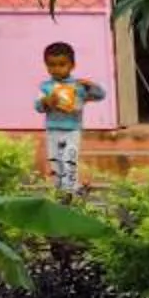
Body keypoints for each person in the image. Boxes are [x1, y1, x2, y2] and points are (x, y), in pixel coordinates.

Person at [35, 40, 104, 197]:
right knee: (55, 160)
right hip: (53, 129)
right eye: (51, 65)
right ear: (46, 65)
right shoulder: (46, 87)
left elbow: (100, 95)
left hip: (73, 129)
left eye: (61, 64)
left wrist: (90, 86)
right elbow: (38, 107)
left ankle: (70, 190)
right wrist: (47, 101)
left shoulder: (78, 86)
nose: (56, 69)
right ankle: (61, 189)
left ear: (72, 65)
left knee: (69, 159)